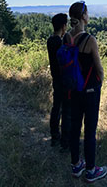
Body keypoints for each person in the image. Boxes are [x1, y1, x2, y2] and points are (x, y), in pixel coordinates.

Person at [66, 1, 107, 183]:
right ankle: (91, 170)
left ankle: (76, 165)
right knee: (90, 130)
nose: (89, 15)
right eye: (88, 13)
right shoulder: (90, 40)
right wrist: (102, 80)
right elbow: (98, 68)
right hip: (90, 91)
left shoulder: (67, 37)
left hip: (73, 90)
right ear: (83, 16)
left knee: (75, 128)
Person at [47, 13, 70, 151]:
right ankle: (65, 141)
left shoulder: (50, 40)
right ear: (63, 26)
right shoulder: (60, 42)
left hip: (56, 79)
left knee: (56, 109)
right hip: (63, 80)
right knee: (66, 111)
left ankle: (54, 137)